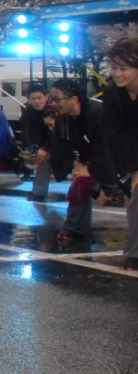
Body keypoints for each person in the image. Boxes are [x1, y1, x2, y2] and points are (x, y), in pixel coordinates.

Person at [48, 79, 121, 243]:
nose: (53, 104)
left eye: (57, 99)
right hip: (92, 159)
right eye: (51, 99)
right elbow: (64, 144)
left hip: (119, 157)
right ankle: (75, 228)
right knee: (79, 187)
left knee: (128, 194)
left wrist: (90, 168)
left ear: (74, 99)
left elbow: (107, 144)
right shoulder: (64, 118)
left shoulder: (99, 111)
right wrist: (77, 164)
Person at [101, 38, 138, 270]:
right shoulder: (113, 92)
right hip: (131, 147)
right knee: (133, 196)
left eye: (124, 68)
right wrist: (133, 171)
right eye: (114, 67)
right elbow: (116, 134)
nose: (117, 74)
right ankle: (135, 253)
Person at [20, 84, 56, 202]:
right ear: (28, 100)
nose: (37, 101)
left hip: (62, 141)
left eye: (39, 97)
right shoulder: (29, 111)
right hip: (44, 142)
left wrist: (45, 148)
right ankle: (39, 192)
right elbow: (32, 132)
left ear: (46, 97)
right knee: (42, 161)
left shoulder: (55, 109)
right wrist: (35, 149)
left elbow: (57, 131)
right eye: (33, 99)